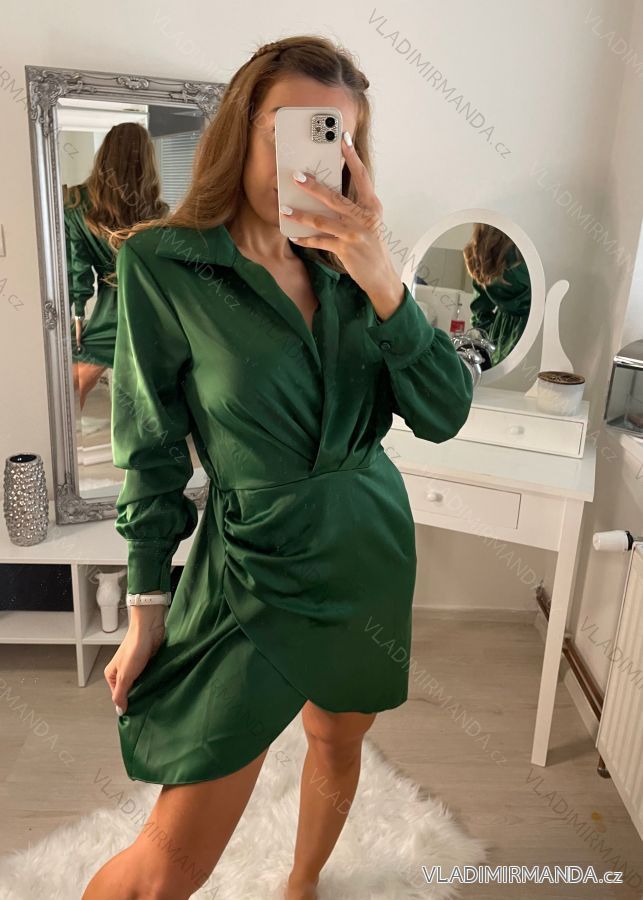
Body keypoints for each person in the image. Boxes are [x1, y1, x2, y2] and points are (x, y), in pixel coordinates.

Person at [82, 35, 474, 900]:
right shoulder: (163, 263)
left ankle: (301, 882)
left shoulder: (358, 271)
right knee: (168, 862)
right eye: (288, 130)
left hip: (364, 546)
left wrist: (379, 273)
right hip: (251, 564)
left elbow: (443, 414)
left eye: (335, 137)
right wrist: (145, 606)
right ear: (240, 127)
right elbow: (148, 448)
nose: (310, 158)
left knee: (338, 739)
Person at [64, 123, 169, 408]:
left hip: (111, 308)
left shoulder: (75, 203)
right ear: (146, 160)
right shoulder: (156, 210)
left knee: (76, 383)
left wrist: (78, 314)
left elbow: (78, 268)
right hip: (149, 308)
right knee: (143, 393)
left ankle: (61, 434)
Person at [462, 224, 531, 367]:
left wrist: (491, 336)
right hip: (532, 328)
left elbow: (480, 309)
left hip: (501, 335)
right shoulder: (525, 252)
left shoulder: (480, 254)